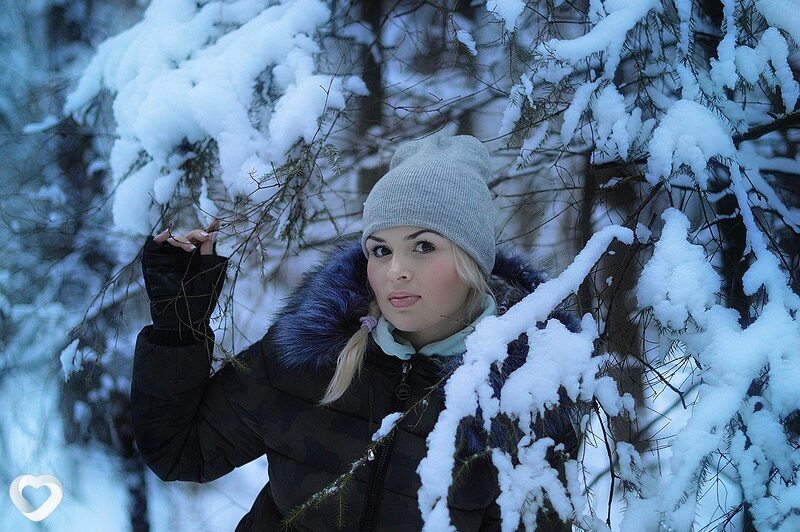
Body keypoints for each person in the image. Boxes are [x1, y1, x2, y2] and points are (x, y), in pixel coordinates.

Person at [131, 134, 580, 531]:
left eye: (424, 246)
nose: (395, 271)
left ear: (472, 262)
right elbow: (180, 451)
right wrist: (178, 326)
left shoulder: (521, 398)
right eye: (380, 250)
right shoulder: (308, 354)